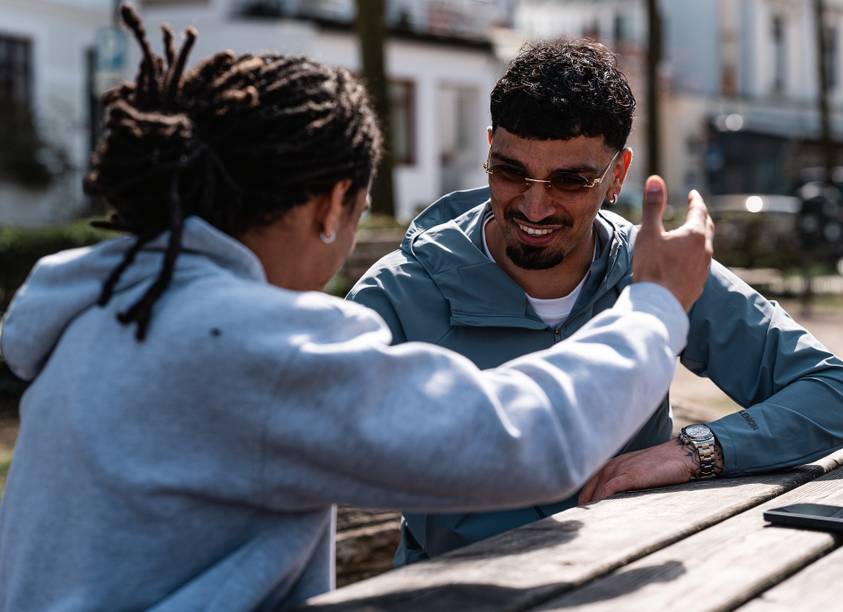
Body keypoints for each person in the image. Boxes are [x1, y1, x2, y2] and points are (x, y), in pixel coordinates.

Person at [0, 8, 716, 610]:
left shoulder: (110, 306)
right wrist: (654, 306)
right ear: (333, 204)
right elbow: (519, 442)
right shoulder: (253, 344)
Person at [347, 39, 843, 565]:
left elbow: (837, 396)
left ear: (616, 176)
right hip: (453, 594)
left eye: (570, 181)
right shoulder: (399, 293)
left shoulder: (652, 268)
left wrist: (693, 452)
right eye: (509, 172)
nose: (534, 205)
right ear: (488, 148)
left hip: (623, 579)